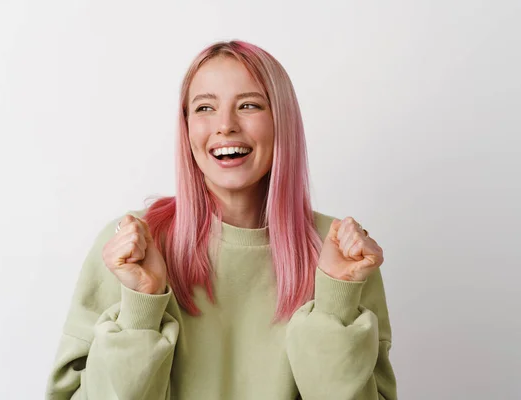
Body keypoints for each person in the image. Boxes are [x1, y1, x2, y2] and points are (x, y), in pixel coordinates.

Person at [45, 40, 397, 400]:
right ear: (186, 127)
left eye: (248, 105)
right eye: (205, 108)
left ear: (282, 121)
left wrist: (335, 301)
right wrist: (140, 308)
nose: (225, 125)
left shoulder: (340, 252)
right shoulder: (131, 247)